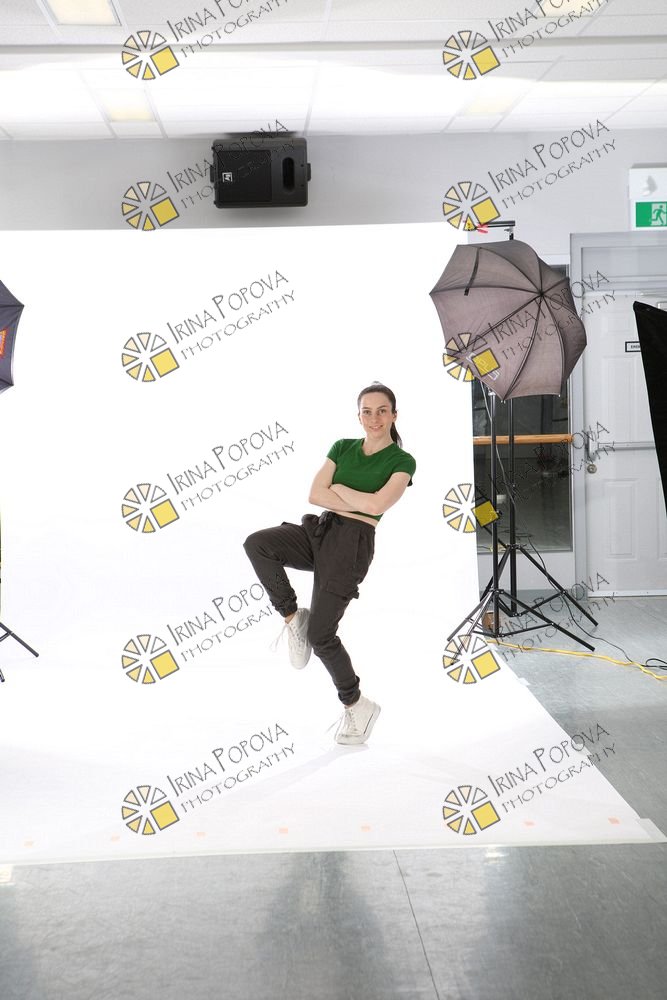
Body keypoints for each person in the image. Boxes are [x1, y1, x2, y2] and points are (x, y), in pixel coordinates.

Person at [242, 382, 416, 745]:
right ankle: (293, 616)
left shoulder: (402, 461)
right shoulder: (342, 447)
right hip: (321, 530)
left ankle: (357, 705)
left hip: (351, 547)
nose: (374, 418)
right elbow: (314, 494)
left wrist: (338, 490)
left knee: (321, 637)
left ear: (394, 415)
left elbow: (376, 506)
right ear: (358, 416)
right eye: (366, 411)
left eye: (382, 411)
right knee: (258, 544)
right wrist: (355, 500)